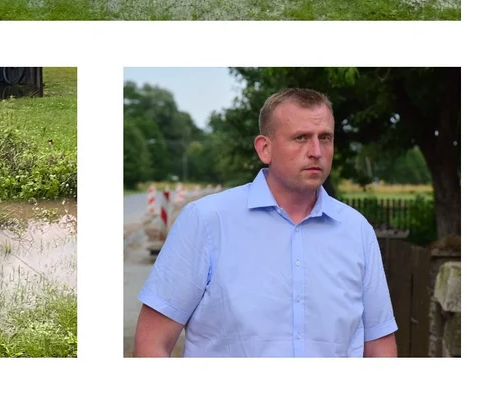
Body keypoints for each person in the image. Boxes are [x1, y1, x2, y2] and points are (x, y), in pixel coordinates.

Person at [133, 88, 398, 357]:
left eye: (325, 138)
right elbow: (152, 343)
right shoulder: (206, 222)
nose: (316, 151)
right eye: (301, 138)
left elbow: (380, 346)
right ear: (265, 148)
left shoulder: (357, 231)